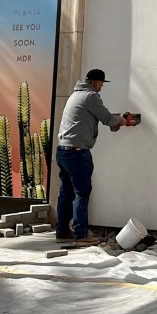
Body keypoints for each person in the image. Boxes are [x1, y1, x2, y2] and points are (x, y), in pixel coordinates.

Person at [55, 68, 139, 245]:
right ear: (94, 83)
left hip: (63, 150)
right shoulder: (91, 96)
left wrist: (115, 121)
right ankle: (81, 236)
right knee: (81, 193)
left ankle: (62, 232)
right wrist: (124, 121)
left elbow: (100, 117)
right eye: (101, 84)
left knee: (66, 193)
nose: (101, 88)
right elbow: (107, 118)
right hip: (77, 152)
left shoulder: (75, 95)